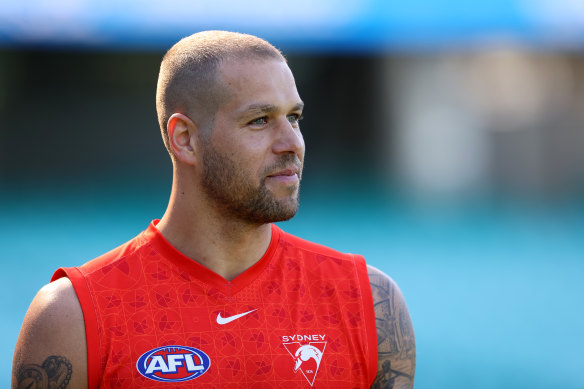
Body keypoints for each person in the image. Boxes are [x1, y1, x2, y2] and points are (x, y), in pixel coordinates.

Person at [12, 31, 416, 388]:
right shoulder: (75, 317)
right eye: (260, 121)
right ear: (184, 139)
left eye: (294, 118)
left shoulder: (368, 304)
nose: (291, 142)